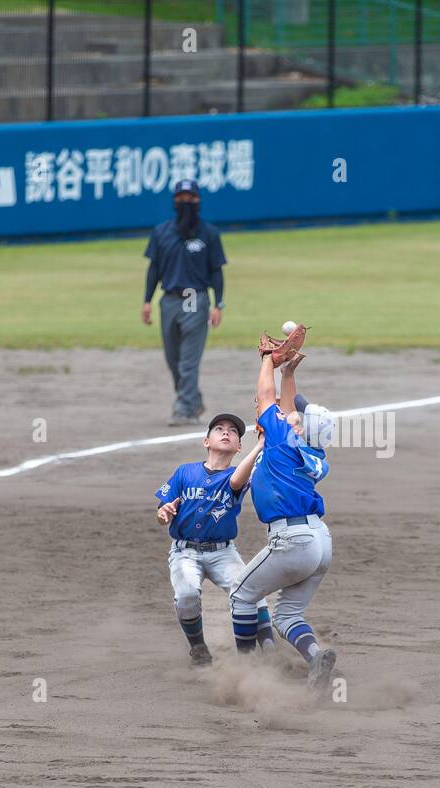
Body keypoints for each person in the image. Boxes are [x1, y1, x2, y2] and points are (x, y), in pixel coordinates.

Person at [228, 352, 338, 690]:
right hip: (320, 542)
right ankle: (316, 657)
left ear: (300, 428)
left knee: (241, 595)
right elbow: (286, 405)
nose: (292, 411)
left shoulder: (280, 440)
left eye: (299, 415)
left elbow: (265, 396)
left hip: (294, 540)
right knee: (288, 615)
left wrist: (267, 360)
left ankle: (247, 671)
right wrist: (288, 373)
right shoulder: (312, 451)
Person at [155, 413, 274, 665]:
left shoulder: (237, 475)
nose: (226, 432)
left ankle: (270, 649)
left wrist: (261, 445)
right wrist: (164, 513)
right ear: (206, 441)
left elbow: (237, 481)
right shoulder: (184, 472)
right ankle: (198, 648)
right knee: (186, 595)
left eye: (233, 431)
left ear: (239, 446)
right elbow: (162, 512)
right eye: (219, 428)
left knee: (252, 592)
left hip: (223, 553)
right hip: (185, 552)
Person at [142, 180, 228, 426]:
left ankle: (184, 410)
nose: (186, 202)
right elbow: (154, 269)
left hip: (196, 300)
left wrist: (218, 304)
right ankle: (193, 399)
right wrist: (147, 301)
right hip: (169, 300)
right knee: (173, 359)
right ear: (174, 201)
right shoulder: (161, 232)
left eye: (190, 198)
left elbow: (216, 271)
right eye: (181, 198)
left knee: (188, 361)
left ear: (198, 200)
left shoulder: (209, 233)